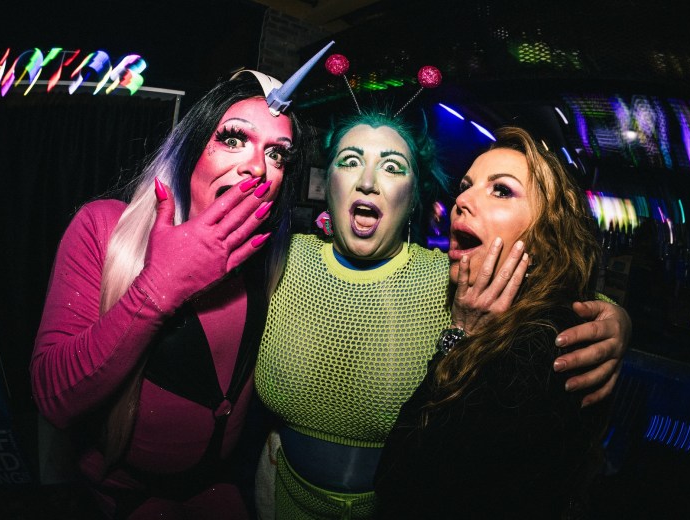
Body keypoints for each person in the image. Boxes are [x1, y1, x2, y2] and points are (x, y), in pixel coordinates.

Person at [254, 111, 630, 518]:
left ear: (414, 196)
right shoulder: (283, 257)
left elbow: (551, 292)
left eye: (392, 168)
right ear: (326, 183)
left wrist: (616, 320)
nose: (366, 181)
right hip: (279, 494)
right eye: (349, 161)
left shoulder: (451, 279)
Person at [29, 54, 325, 518]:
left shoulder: (269, 260)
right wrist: (157, 288)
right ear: (190, 149)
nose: (258, 168)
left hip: (219, 493)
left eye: (277, 153)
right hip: (122, 499)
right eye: (234, 139)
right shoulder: (104, 229)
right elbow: (53, 399)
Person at [375, 126, 611, 518]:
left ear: (545, 237)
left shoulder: (537, 353)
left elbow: (399, 483)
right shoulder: (527, 325)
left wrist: (460, 335)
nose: (463, 200)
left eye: (501, 190)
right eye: (465, 186)